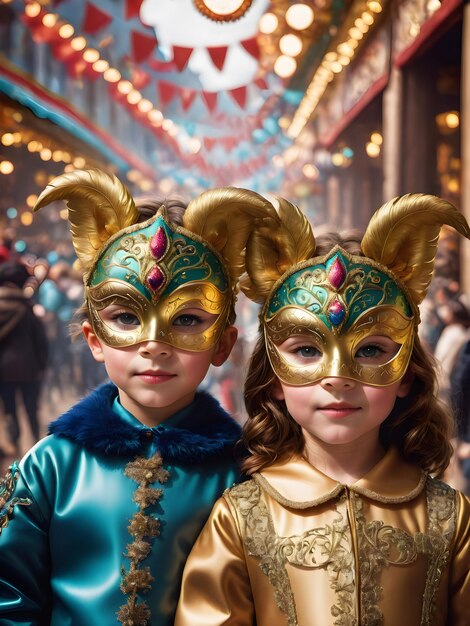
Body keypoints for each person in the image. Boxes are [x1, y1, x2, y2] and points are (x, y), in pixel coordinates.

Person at [175, 193, 470, 626]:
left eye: (370, 349)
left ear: (406, 373)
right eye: (307, 349)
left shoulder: (452, 519)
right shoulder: (238, 518)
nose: (337, 377)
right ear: (274, 376)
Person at [0, 169, 271, 626]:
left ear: (223, 344)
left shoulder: (247, 472)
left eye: (186, 319)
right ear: (94, 338)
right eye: (126, 316)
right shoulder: (49, 468)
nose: (154, 344)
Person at [0, 261, 48, 458]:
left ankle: (15, 450)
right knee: (31, 410)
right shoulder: (27, 307)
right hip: (29, 369)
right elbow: (41, 341)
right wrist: (43, 366)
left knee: (9, 410)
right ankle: (36, 452)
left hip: (2, 371)